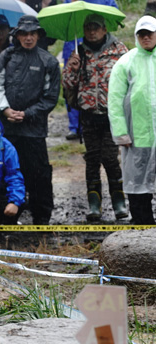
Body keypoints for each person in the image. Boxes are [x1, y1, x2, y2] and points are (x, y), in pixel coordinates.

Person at [0, 15, 60, 225]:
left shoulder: (49, 61)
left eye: (32, 34)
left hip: (35, 130)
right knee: (7, 172)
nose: (28, 38)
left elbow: (51, 97)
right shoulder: (5, 58)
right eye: (24, 34)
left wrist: (28, 113)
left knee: (39, 174)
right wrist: (5, 110)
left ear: (38, 35)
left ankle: (42, 218)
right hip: (8, 129)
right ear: (17, 35)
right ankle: (7, 217)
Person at [63, 14, 128, 221]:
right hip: (88, 116)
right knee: (92, 160)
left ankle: (119, 201)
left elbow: (130, 77)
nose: (92, 31)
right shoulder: (78, 52)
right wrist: (72, 69)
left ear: (104, 29)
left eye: (96, 27)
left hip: (112, 115)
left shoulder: (119, 50)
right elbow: (67, 84)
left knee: (110, 158)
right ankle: (94, 204)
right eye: (88, 28)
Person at [108, 15, 156, 224]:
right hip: (136, 137)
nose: (146, 37)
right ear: (136, 36)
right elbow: (114, 101)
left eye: (150, 33)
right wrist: (120, 133)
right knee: (138, 184)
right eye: (141, 34)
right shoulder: (125, 63)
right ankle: (143, 229)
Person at [62, 0, 119, 140]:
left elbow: (114, 18)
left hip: (99, 49)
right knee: (73, 86)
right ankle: (74, 126)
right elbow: (65, 21)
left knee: (95, 86)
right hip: (75, 47)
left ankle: (99, 123)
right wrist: (70, 7)